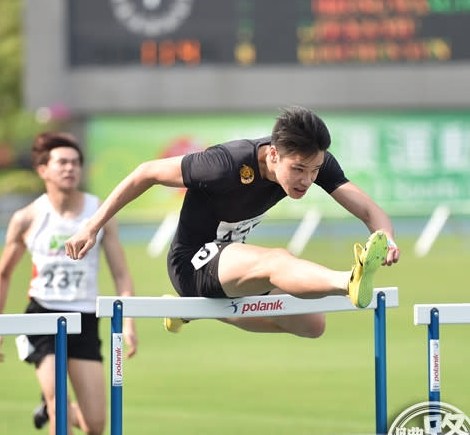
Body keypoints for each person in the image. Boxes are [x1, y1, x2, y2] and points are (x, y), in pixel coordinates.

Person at [65, 106, 400, 337]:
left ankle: (192, 310)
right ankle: (349, 281)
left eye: (314, 170)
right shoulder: (223, 163)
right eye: (298, 169)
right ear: (273, 154)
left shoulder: (314, 159)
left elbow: (370, 210)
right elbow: (146, 173)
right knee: (277, 260)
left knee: (312, 326)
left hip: (231, 263)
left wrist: (385, 237)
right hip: (192, 263)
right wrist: (91, 226)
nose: (307, 179)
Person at [0, 131, 138, 435]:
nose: (70, 169)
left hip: (84, 317)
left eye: (75, 163)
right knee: (58, 400)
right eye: (62, 163)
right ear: (43, 170)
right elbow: (2, 274)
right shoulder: (27, 218)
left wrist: (129, 324)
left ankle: (53, 410)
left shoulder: (100, 215)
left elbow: (121, 273)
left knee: (96, 425)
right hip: (42, 315)